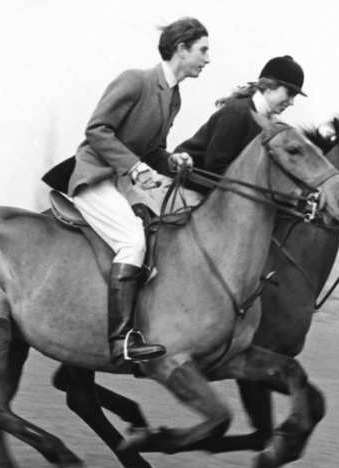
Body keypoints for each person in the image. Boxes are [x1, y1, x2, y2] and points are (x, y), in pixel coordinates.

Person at [67, 17, 209, 361]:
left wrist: (174, 162)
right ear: (181, 49)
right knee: (132, 241)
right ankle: (120, 343)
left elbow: (153, 150)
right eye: (202, 51)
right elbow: (98, 130)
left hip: (122, 182)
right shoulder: (135, 81)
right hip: (95, 177)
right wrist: (135, 166)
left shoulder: (173, 97)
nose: (207, 59)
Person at [175, 55, 306, 193]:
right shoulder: (238, 112)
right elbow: (215, 166)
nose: (291, 102)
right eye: (289, 94)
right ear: (269, 86)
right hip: (185, 186)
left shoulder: (270, 123)